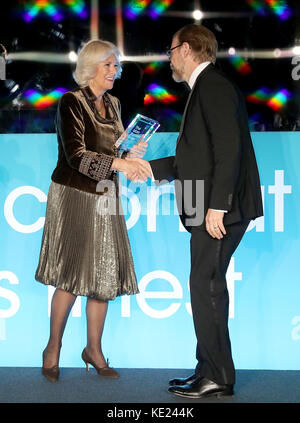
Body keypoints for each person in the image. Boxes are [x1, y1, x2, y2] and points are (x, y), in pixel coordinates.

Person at [141, 24, 263, 398]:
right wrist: (147, 168)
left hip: (218, 209)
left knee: (206, 287)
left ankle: (219, 377)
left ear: (188, 49)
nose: (169, 57)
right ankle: (207, 369)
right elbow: (196, 158)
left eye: (172, 49)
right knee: (204, 285)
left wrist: (217, 207)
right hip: (208, 206)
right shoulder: (204, 88)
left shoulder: (213, 86)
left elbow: (230, 152)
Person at [35, 39, 149, 382]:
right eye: (109, 65)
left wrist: (131, 155)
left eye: (117, 66)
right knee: (71, 276)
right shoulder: (71, 102)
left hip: (105, 194)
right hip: (74, 194)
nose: (116, 71)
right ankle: (52, 348)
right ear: (91, 67)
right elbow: (77, 156)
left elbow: (114, 151)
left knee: (103, 277)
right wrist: (118, 162)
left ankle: (93, 350)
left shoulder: (113, 103)